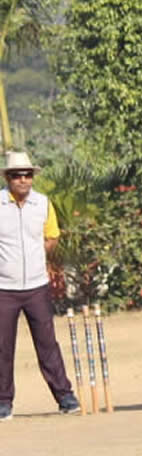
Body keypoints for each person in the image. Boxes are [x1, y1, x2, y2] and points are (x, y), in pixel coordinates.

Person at [0, 151, 81, 420]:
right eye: (16, 175)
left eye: (27, 175)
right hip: (4, 289)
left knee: (47, 344)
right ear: (7, 178)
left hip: (37, 286)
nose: (23, 180)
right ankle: (3, 402)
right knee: (3, 347)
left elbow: (51, 238)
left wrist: (34, 258)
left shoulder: (43, 204)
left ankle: (65, 396)